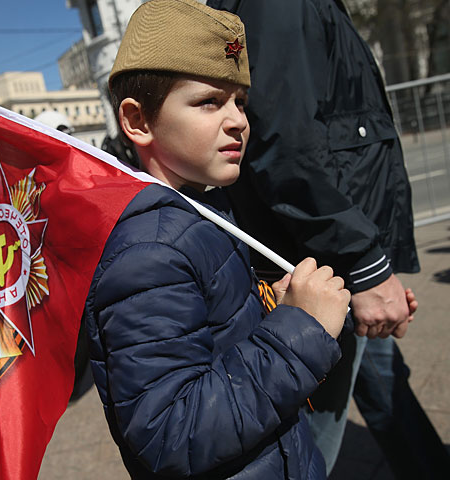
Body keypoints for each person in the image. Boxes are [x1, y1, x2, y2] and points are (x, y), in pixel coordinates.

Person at [83, 1, 353, 478]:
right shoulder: (149, 251)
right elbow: (170, 432)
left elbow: (223, 348)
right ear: (138, 121)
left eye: (240, 102)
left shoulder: (202, 209)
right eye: (209, 102)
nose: (238, 121)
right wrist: (299, 332)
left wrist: (282, 309)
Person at [205, 0, 450, 477]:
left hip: (331, 253)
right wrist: (366, 264)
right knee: (303, 444)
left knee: (382, 385)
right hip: (324, 261)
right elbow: (288, 148)